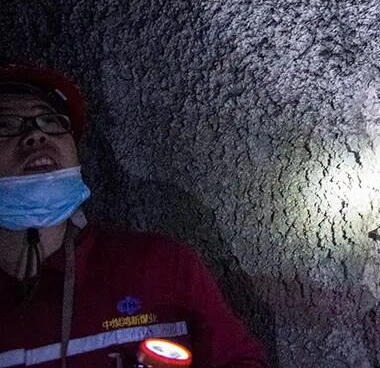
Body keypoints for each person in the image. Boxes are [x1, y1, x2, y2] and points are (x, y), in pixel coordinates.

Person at [0, 64, 267, 367]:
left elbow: (241, 359)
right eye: (5, 125)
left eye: (51, 121)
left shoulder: (162, 265)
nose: (36, 134)